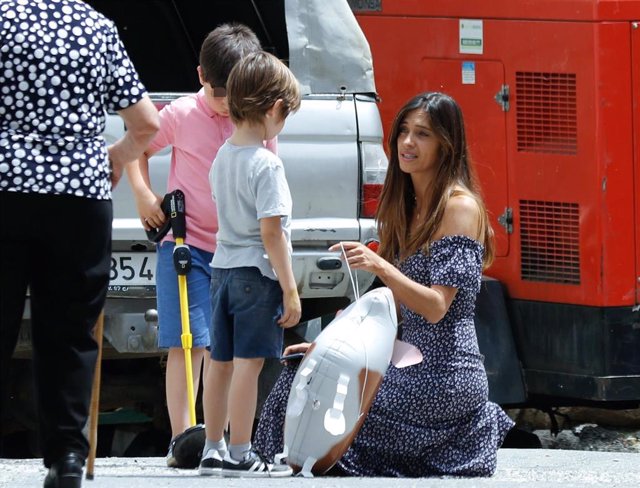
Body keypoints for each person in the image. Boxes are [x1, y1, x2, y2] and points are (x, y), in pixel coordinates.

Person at [253, 91, 515, 477]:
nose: (407, 143)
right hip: (399, 361)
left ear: (447, 144)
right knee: (301, 372)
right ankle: (267, 463)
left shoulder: (460, 207)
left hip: (443, 376)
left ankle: (292, 464)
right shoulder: (405, 207)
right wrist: (330, 350)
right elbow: (389, 312)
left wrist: (381, 266)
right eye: (403, 132)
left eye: (422, 134)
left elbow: (435, 306)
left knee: (333, 417)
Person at [0, 1, 160, 487]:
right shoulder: (97, 27)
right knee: (70, 332)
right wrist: (112, 158)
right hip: (79, 198)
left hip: (5, 189)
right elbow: (147, 124)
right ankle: (66, 459)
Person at [124, 23, 270, 467]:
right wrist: (145, 196)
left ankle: (216, 439)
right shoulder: (181, 114)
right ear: (200, 74)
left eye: (237, 92)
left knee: (226, 349)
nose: (227, 103)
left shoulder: (256, 118)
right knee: (188, 343)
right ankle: (183, 438)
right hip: (185, 245)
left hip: (238, 251)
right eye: (219, 92)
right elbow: (136, 149)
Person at [198, 51, 301, 478]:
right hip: (255, 275)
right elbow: (271, 232)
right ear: (275, 108)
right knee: (249, 365)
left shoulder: (223, 156)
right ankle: (241, 451)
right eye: (286, 115)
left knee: (218, 363)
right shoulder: (267, 163)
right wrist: (290, 287)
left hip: (220, 270)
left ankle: (212, 446)